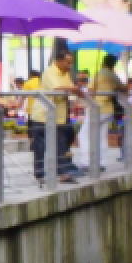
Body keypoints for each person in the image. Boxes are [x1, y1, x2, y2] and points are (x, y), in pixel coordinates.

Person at [34, 45, 82, 182]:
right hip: (43, 116)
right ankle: (39, 174)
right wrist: (74, 89)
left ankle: (62, 173)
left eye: (71, 63)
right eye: (68, 62)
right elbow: (57, 89)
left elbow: (71, 91)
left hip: (59, 117)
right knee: (40, 147)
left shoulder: (65, 73)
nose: (70, 66)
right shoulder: (50, 72)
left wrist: (76, 93)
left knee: (61, 145)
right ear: (59, 61)